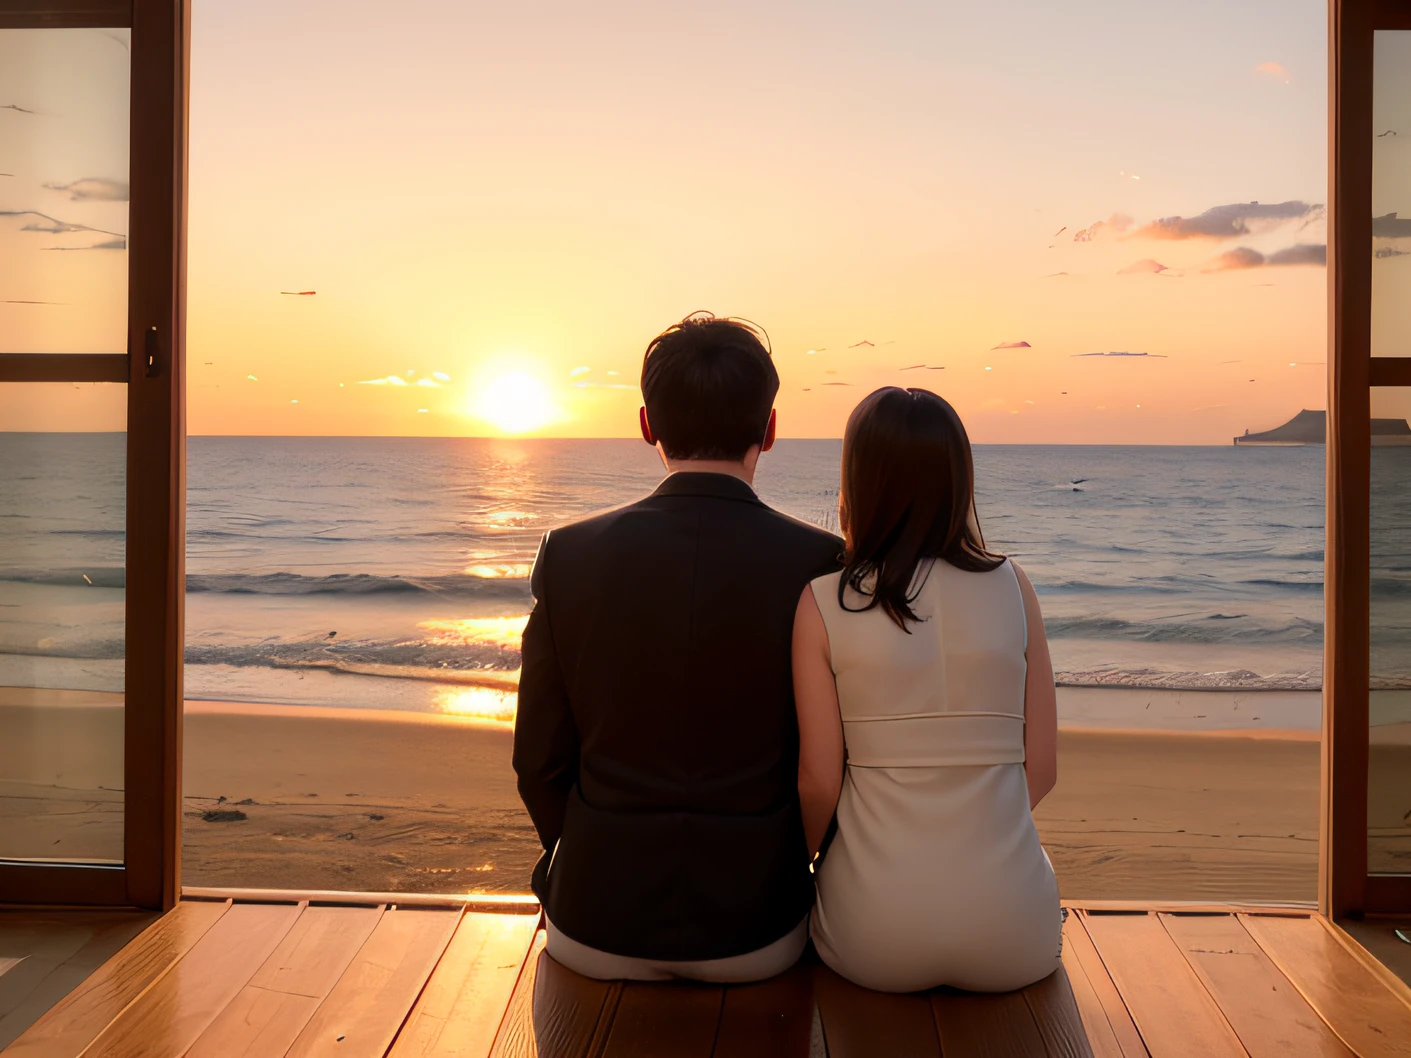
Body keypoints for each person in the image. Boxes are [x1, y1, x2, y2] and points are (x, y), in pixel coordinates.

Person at [514, 313, 842, 982]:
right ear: (769, 429)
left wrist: (573, 866)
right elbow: (836, 765)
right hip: (757, 931)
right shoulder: (823, 563)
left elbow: (536, 762)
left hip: (592, 923)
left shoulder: (569, 553)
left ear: (646, 426)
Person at [793, 386, 1061, 993]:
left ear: (857, 482)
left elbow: (819, 783)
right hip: (1016, 934)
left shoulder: (824, 602)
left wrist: (803, 867)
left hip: (872, 935)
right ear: (959, 478)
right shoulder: (1015, 587)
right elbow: (1040, 770)